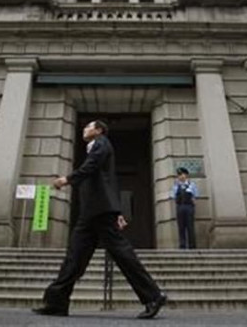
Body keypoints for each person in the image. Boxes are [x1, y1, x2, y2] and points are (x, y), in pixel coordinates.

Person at [33, 120, 167, 319]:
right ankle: (57, 302)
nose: (84, 129)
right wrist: (118, 210)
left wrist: (67, 179)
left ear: (99, 130)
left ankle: (153, 296)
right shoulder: (98, 146)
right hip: (93, 211)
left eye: (88, 126)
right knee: (75, 256)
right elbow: (109, 181)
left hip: (99, 211)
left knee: (121, 253)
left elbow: (92, 166)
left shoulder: (101, 143)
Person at [171, 167, 198, 249]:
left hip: (189, 207)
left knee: (190, 226)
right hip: (180, 207)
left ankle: (192, 245)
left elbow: (196, 195)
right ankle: (182, 245)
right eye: (179, 175)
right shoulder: (176, 186)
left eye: (182, 174)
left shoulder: (192, 185)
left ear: (186, 175)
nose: (181, 177)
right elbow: (172, 196)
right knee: (181, 227)